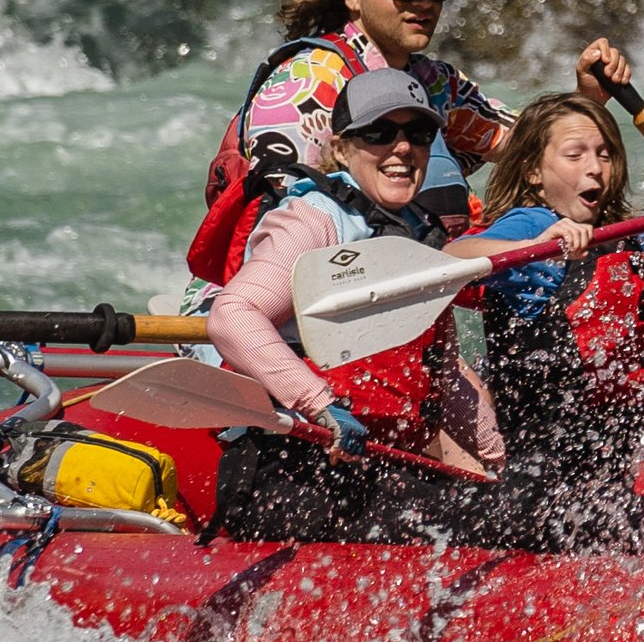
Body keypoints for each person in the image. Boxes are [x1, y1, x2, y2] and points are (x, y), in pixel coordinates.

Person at [185, 0, 630, 289]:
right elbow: (276, 220)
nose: (424, 2)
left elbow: (533, 154)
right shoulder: (307, 82)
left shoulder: (435, 83)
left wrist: (587, 97)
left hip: (402, 292)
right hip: (280, 299)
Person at [203, 67, 518, 545]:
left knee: (517, 509)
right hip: (290, 472)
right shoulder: (313, 221)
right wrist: (323, 405)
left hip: (379, 471)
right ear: (343, 147)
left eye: (419, 133)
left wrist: (500, 461)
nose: (402, 148)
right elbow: (233, 316)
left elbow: (444, 373)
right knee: (481, 524)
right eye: (379, 132)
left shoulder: (419, 234)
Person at [444, 94, 644, 544]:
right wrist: (530, 250)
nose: (595, 167)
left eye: (605, 154)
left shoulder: (629, 242)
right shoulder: (531, 225)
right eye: (575, 155)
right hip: (538, 489)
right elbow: (453, 257)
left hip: (611, 471)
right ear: (534, 173)